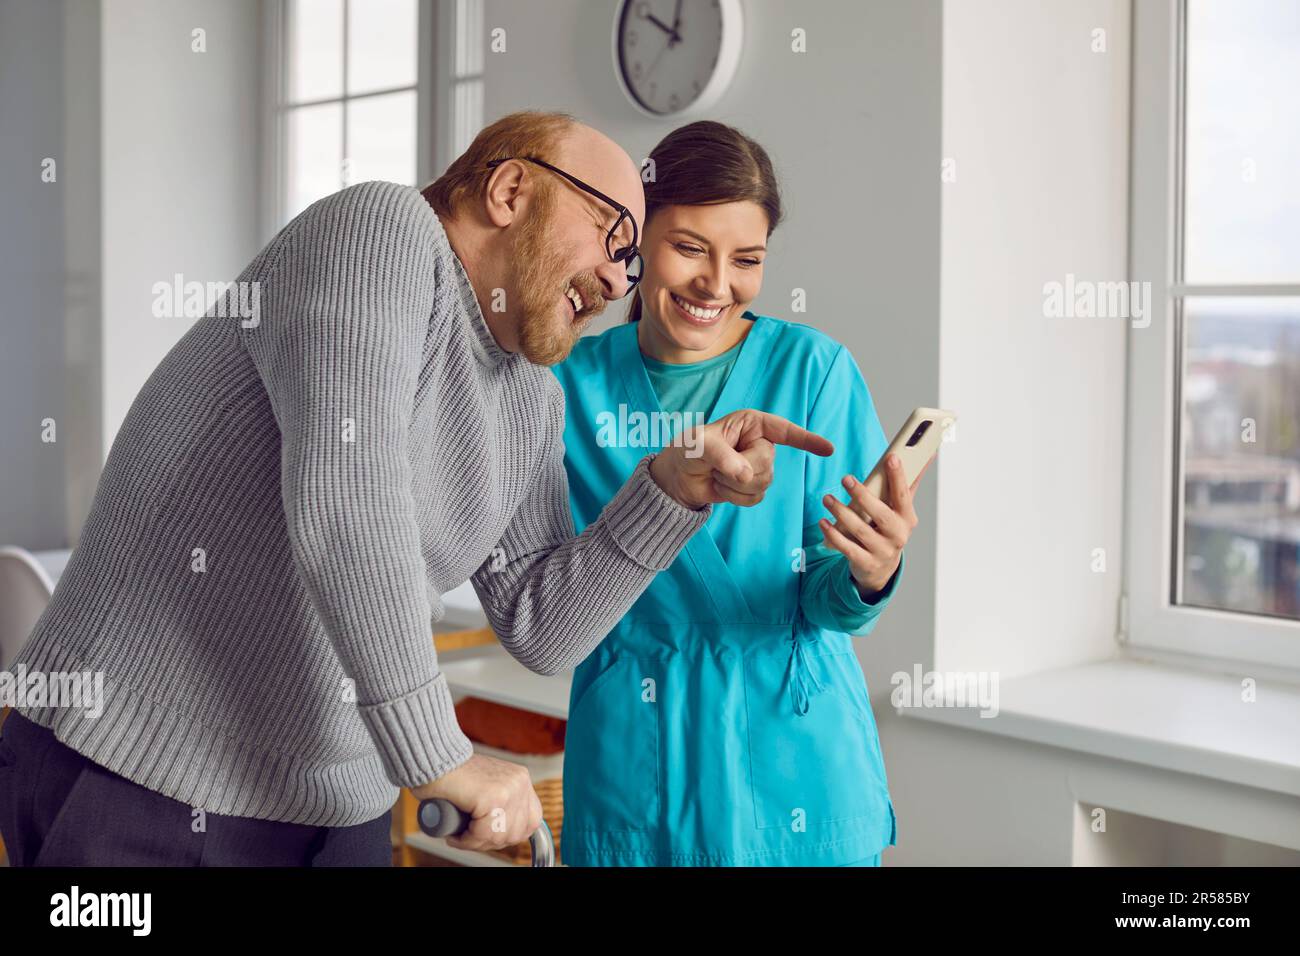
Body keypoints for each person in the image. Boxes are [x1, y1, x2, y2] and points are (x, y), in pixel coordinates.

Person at [0, 111, 832, 866]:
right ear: (510, 189)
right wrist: (439, 756)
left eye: (630, 259)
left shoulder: (531, 396)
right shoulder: (382, 231)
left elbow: (542, 626)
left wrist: (672, 491)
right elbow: (348, 498)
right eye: (614, 236)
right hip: (141, 778)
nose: (620, 281)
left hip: (338, 810)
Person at [552, 121, 928, 867]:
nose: (716, 285)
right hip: (639, 756)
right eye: (688, 247)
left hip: (795, 761)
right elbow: (542, 592)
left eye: (746, 259)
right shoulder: (567, 387)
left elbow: (826, 598)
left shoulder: (814, 371)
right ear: (633, 240)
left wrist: (869, 572)